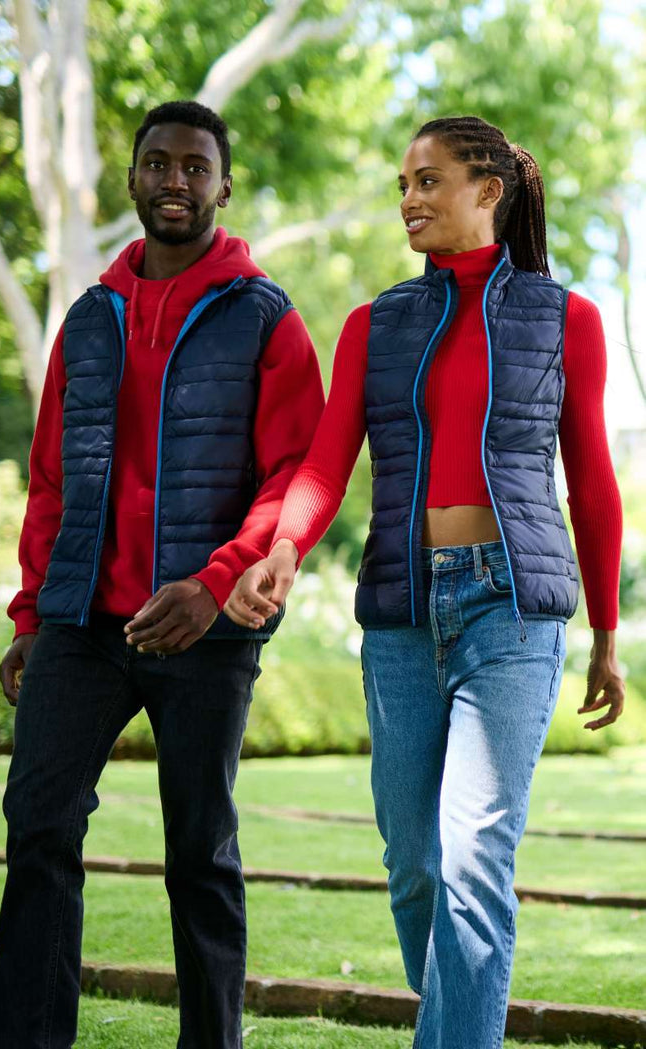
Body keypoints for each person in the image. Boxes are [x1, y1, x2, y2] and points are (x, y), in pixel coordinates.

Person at [224, 115, 626, 1049]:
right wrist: (281, 549)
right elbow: (326, 463)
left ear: (488, 191)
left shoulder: (565, 319)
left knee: (474, 857)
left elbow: (591, 479)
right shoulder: (374, 324)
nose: (408, 198)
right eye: (402, 184)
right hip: (402, 611)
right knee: (413, 865)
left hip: (511, 606)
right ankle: (453, 1014)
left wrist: (605, 634)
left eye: (428, 180)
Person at [0, 99, 324, 1049]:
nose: (175, 180)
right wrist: (32, 614)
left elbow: (292, 472)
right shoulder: (88, 318)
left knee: (199, 854)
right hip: (83, 625)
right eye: (158, 163)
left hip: (204, 629)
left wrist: (216, 583)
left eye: (194, 167)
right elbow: (52, 477)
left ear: (224, 186)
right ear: (133, 178)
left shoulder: (264, 316)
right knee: (38, 828)